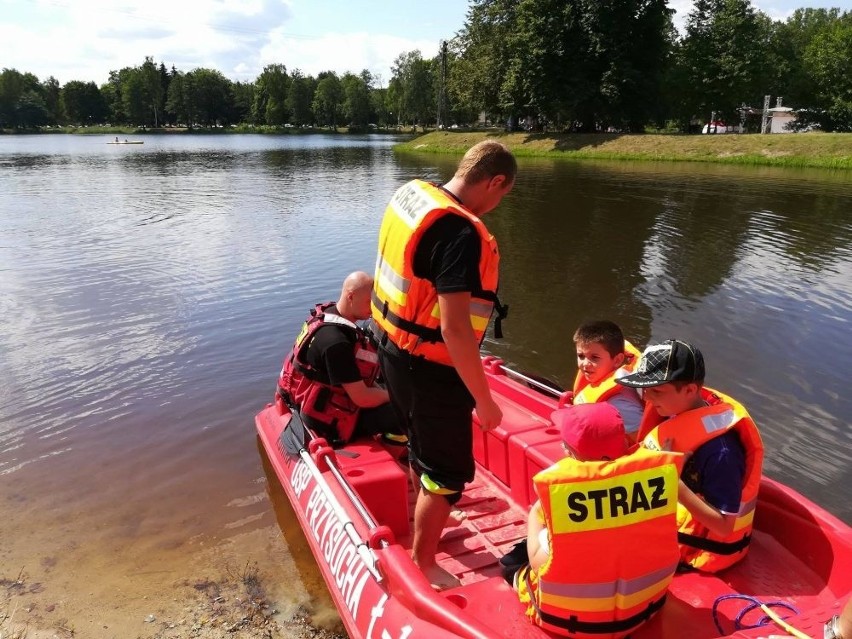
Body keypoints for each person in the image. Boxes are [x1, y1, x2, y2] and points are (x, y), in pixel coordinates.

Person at [370, 140, 516, 590]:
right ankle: (424, 562)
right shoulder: (459, 234)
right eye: (501, 194)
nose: (497, 204)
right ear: (493, 181)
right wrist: (484, 400)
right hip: (429, 369)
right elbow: (454, 330)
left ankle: (422, 528)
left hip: (392, 348)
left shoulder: (417, 196)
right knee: (449, 473)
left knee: (420, 447)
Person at [509, 402, 683, 638]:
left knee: (512, 563)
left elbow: (539, 564)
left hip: (575, 624)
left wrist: (534, 517)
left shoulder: (562, 492)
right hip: (643, 611)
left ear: (567, 450)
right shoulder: (658, 474)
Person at [618, 339, 764, 573]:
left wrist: (671, 482)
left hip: (693, 552)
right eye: (644, 389)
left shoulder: (721, 452)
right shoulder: (675, 409)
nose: (646, 398)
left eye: (656, 390)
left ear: (690, 390)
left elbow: (724, 526)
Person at [276, 271, 403, 446]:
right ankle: (401, 455)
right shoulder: (336, 342)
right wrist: (397, 397)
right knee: (407, 413)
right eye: (369, 302)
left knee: (386, 390)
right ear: (351, 296)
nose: (373, 308)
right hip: (327, 423)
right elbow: (362, 398)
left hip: (310, 400)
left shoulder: (328, 315)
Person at [569, 320, 644, 442]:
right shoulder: (600, 376)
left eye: (594, 357)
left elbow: (641, 438)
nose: (585, 364)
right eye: (581, 356)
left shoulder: (617, 403)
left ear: (617, 360)